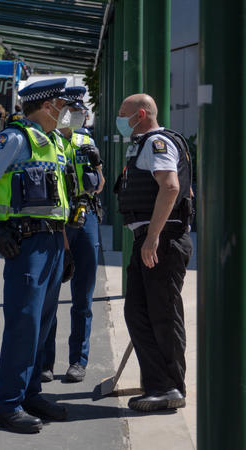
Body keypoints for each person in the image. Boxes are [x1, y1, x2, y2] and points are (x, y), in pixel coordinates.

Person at [0, 78, 71, 434]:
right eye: (61, 103)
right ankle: (6, 405)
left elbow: (59, 203)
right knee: (24, 324)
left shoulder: (52, 142)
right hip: (27, 245)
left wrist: (66, 247)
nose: (65, 110)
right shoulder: (15, 139)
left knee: (42, 325)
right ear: (46, 105)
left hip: (52, 243)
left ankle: (29, 393)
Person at [114, 94, 193, 412]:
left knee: (162, 314)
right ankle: (158, 383)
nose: (120, 119)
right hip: (153, 238)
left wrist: (153, 238)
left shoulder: (156, 143)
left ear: (141, 114)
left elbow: (172, 187)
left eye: (123, 113)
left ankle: (169, 387)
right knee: (138, 312)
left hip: (161, 240)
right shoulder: (145, 144)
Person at [42, 86, 106, 383]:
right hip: (59, 219)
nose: (78, 115)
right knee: (51, 294)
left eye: (81, 110)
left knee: (83, 295)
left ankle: (78, 361)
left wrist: (97, 163)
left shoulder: (86, 140)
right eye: (72, 110)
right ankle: (44, 363)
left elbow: (100, 184)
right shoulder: (50, 141)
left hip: (87, 215)